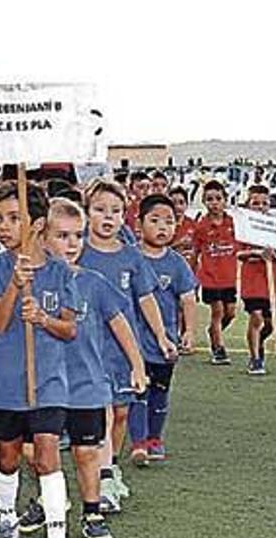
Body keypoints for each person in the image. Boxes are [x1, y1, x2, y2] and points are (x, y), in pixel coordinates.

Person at [0, 182, 77, 538]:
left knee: (47, 452)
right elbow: (0, 324)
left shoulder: (61, 272)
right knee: (8, 457)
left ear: (36, 224)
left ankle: (56, 536)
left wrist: (44, 320)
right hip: (6, 381)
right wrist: (14, 286)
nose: (3, 226)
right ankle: (7, 521)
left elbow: (69, 330)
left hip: (48, 381)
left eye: (14, 218)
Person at [41, 197, 145, 537]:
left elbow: (121, 326)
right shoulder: (31, 283)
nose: (72, 244)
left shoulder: (94, 282)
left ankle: (91, 512)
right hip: (45, 386)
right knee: (39, 452)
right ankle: (47, 502)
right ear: (43, 236)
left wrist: (137, 365)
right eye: (62, 236)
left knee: (87, 452)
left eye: (78, 236)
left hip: (87, 384)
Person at [79, 180, 175, 472]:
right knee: (102, 412)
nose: (108, 217)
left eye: (115, 211)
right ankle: (103, 474)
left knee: (121, 412)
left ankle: (113, 466)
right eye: (100, 209)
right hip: (86, 347)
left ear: (125, 216)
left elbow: (145, 298)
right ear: (87, 213)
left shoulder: (131, 255)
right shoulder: (77, 251)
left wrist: (162, 337)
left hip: (122, 349)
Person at [136, 194, 199, 461]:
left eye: (169, 222)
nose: (163, 227)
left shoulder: (176, 263)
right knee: (137, 392)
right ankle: (138, 441)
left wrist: (189, 331)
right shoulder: (130, 258)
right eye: (155, 221)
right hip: (133, 342)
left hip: (166, 344)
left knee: (159, 392)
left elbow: (188, 298)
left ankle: (154, 438)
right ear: (139, 224)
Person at [237, 185, 276, 375]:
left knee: (269, 324)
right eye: (256, 203)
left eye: (265, 203)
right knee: (256, 318)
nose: (261, 207)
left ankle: (259, 343)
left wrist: (273, 255)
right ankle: (255, 358)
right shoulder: (244, 227)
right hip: (252, 280)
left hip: (271, 280)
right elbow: (239, 253)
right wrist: (257, 253)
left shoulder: (275, 226)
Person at [192, 181, 239, 366]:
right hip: (210, 278)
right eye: (210, 199)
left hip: (229, 277)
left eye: (218, 198)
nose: (214, 203)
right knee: (218, 311)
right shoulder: (202, 226)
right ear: (204, 201)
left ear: (225, 200)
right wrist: (192, 277)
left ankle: (214, 331)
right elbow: (195, 253)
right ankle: (218, 349)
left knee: (231, 313)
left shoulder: (233, 223)